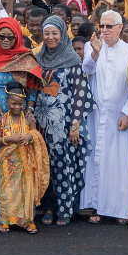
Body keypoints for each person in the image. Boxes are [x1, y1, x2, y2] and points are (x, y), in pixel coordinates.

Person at [0, 17, 43, 224]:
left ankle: (18, 212)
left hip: (20, 115)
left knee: (20, 161)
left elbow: (32, 87)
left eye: (10, 37)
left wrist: (30, 109)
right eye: (1, 36)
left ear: (17, 37)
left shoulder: (24, 58)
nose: (5, 40)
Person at [33, 15, 93, 226]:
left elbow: (81, 94)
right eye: (46, 33)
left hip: (64, 125)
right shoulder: (38, 59)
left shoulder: (73, 60)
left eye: (54, 33)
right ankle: (48, 207)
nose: (50, 37)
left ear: (62, 34)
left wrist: (75, 125)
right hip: (40, 123)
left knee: (62, 166)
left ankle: (65, 209)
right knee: (44, 165)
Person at [81, 10, 128, 224]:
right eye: (102, 26)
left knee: (120, 161)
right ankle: (95, 205)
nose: (104, 30)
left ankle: (120, 210)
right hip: (96, 115)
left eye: (109, 26)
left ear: (120, 28)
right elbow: (86, 69)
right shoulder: (92, 46)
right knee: (96, 159)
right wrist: (95, 53)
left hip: (120, 115)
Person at [0, 80, 50, 233]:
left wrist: (29, 137)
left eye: (20, 104)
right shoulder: (1, 119)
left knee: (26, 190)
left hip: (25, 161)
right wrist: (10, 139)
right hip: (7, 163)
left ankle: (28, 221)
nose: (17, 107)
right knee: (7, 191)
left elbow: (35, 134)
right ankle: (5, 220)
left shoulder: (28, 118)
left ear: (24, 103)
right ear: (7, 102)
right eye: (13, 103)